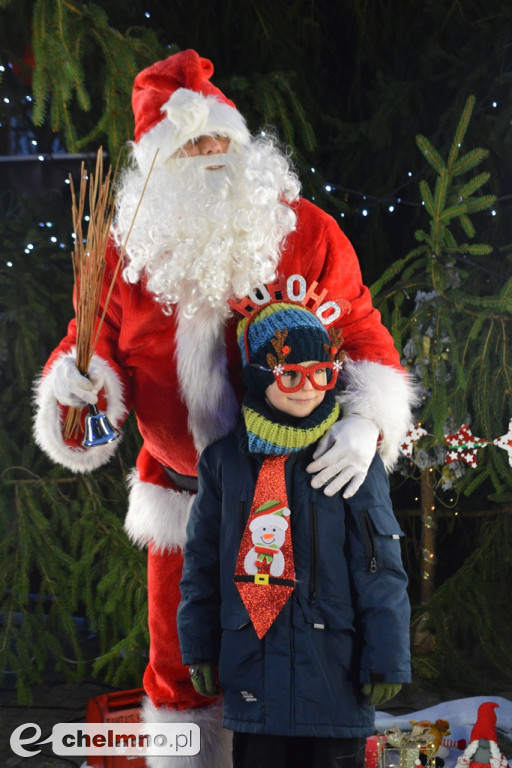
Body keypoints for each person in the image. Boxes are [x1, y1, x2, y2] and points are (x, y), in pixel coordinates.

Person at [32, 49, 415, 768]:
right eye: (188, 145)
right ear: (158, 165)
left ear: (243, 146)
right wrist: (75, 394)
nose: (208, 154)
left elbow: (362, 335)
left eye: (218, 140)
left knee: (311, 652)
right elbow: (89, 357)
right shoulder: (126, 252)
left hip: (300, 499)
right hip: (184, 500)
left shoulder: (309, 233)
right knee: (183, 664)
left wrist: (367, 422)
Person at [177, 301, 411, 768]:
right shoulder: (225, 463)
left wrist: (388, 653)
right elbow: (202, 562)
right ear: (262, 377)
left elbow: (378, 561)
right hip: (252, 665)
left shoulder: (350, 458)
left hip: (333, 668)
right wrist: (199, 646)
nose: (309, 388)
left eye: (322, 372)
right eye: (291, 375)